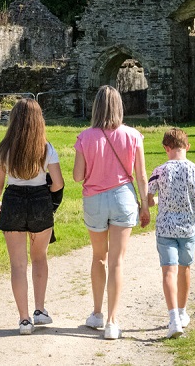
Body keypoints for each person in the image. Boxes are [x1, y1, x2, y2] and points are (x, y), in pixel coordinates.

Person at [73, 85, 150, 340]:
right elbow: (140, 174)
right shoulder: (133, 135)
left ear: (96, 107)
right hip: (123, 197)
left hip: (94, 199)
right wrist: (145, 205)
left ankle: (96, 313)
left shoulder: (85, 137)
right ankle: (113, 322)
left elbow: (77, 176)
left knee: (99, 258)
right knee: (117, 261)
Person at [0, 98, 64, 335]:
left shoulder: (4, 149)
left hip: (13, 200)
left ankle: (24, 319)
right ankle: (40, 310)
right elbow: (58, 183)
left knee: (18, 264)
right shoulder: (46, 148)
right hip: (39, 201)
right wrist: (49, 199)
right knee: (40, 257)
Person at [145, 128, 195, 339]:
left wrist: (158, 201)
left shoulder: (159, 170)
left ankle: (173, 318)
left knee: (168, 272)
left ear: (166, 148)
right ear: (187, 147)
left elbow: (149, 199)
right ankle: (183, 312)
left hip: (165, 229)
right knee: (185, 269)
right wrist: (193, 201)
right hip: (188, 229)